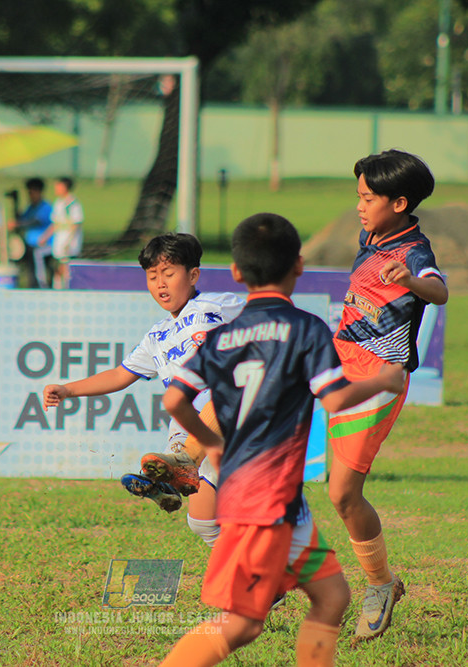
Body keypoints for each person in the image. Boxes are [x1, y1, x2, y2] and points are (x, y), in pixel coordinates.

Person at [158, 213, 406, 667]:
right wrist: (385, 379)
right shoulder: (306, 329)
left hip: (273, 499)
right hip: (264, 503)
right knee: (243, 623)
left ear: (236, 272)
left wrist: (212, 444)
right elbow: (336, 399)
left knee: (333, 597)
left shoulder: (222, 336)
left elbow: (175, 400)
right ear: (299, 265)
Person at [42, 233, 244, 547]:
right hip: (190, 427)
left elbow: (267, 319)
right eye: (152, 276)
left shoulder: (219, 305)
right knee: (202, 522)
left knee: (227, 386)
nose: (160, 283)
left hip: (229, 415)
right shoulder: (157, 336)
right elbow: (120, 374)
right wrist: (68, 390)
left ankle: (174, 471)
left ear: (193, 275)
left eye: (168, 273)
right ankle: (265, 580)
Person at [329, 150, 448, 642]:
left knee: (342, 494)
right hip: (338, 361)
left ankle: (381, 585)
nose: (359, 206)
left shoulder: (414, 250)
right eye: (358, 195)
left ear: (399, 203)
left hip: (377, 378)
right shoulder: (372, 234)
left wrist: (413, 283)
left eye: (368, 198)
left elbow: (439, 292)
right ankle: (188, 457)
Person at [41, 176, 84, 289]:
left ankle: (68, 289)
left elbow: (76, 224)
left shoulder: (73, 203)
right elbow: (55, 223)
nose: (56, 188)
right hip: (59, 241)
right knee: (58, 267)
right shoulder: (58, 203)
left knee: (66, 268)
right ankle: (58, 289)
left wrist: (69, 242)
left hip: (69, 243)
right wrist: (45, 237)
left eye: (59, 186)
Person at [14, 177, 53, 288]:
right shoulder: (31, 207)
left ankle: (43, 287)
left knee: (40, 272)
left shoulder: (45, 207)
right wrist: (15, 204)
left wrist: (19, 224)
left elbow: (36, 221)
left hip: (43, 246)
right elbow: (21, 219)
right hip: (30, 246)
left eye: (31, 192)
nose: (30, 195)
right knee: (30, 272)